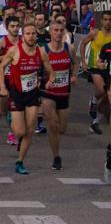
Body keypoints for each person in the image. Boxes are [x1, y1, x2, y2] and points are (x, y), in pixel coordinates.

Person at [0, 22, 55, 175]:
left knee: (30, 130)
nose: (31, 36)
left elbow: (51, 70)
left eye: (33, 34)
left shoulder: (41, 52)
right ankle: (14, 126)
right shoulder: (14, 50)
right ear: (23, 36)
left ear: (37, 36)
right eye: (28, 34)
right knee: (20, 131)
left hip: (32, 94)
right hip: (17, 94)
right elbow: (1, 67)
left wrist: (50, 80)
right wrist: (3, 87)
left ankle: (20, 161)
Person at [41, 21, 77, 170]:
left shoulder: (69, 48)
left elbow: (76, 63)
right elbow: (36, 69)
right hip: (48, 93)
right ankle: (56, 157)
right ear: (50, 32)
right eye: (55, 30)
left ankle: (56, 149)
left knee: (62, 129)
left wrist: (74, 75)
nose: (58, 33)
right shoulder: (43, 50)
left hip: (64, 92)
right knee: (52, 124)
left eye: (61, 30)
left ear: (64, 32)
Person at [79, 10, 111, 135]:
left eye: (110, 20)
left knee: (107, 98)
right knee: (102, 90)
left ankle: (95, 122)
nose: (108, 22)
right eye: (106, 20)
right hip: (95, 67)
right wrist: (84, 62)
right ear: (102, 21)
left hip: (108, 70)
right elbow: (82, 44)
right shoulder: (95, 33)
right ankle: (93, 100)